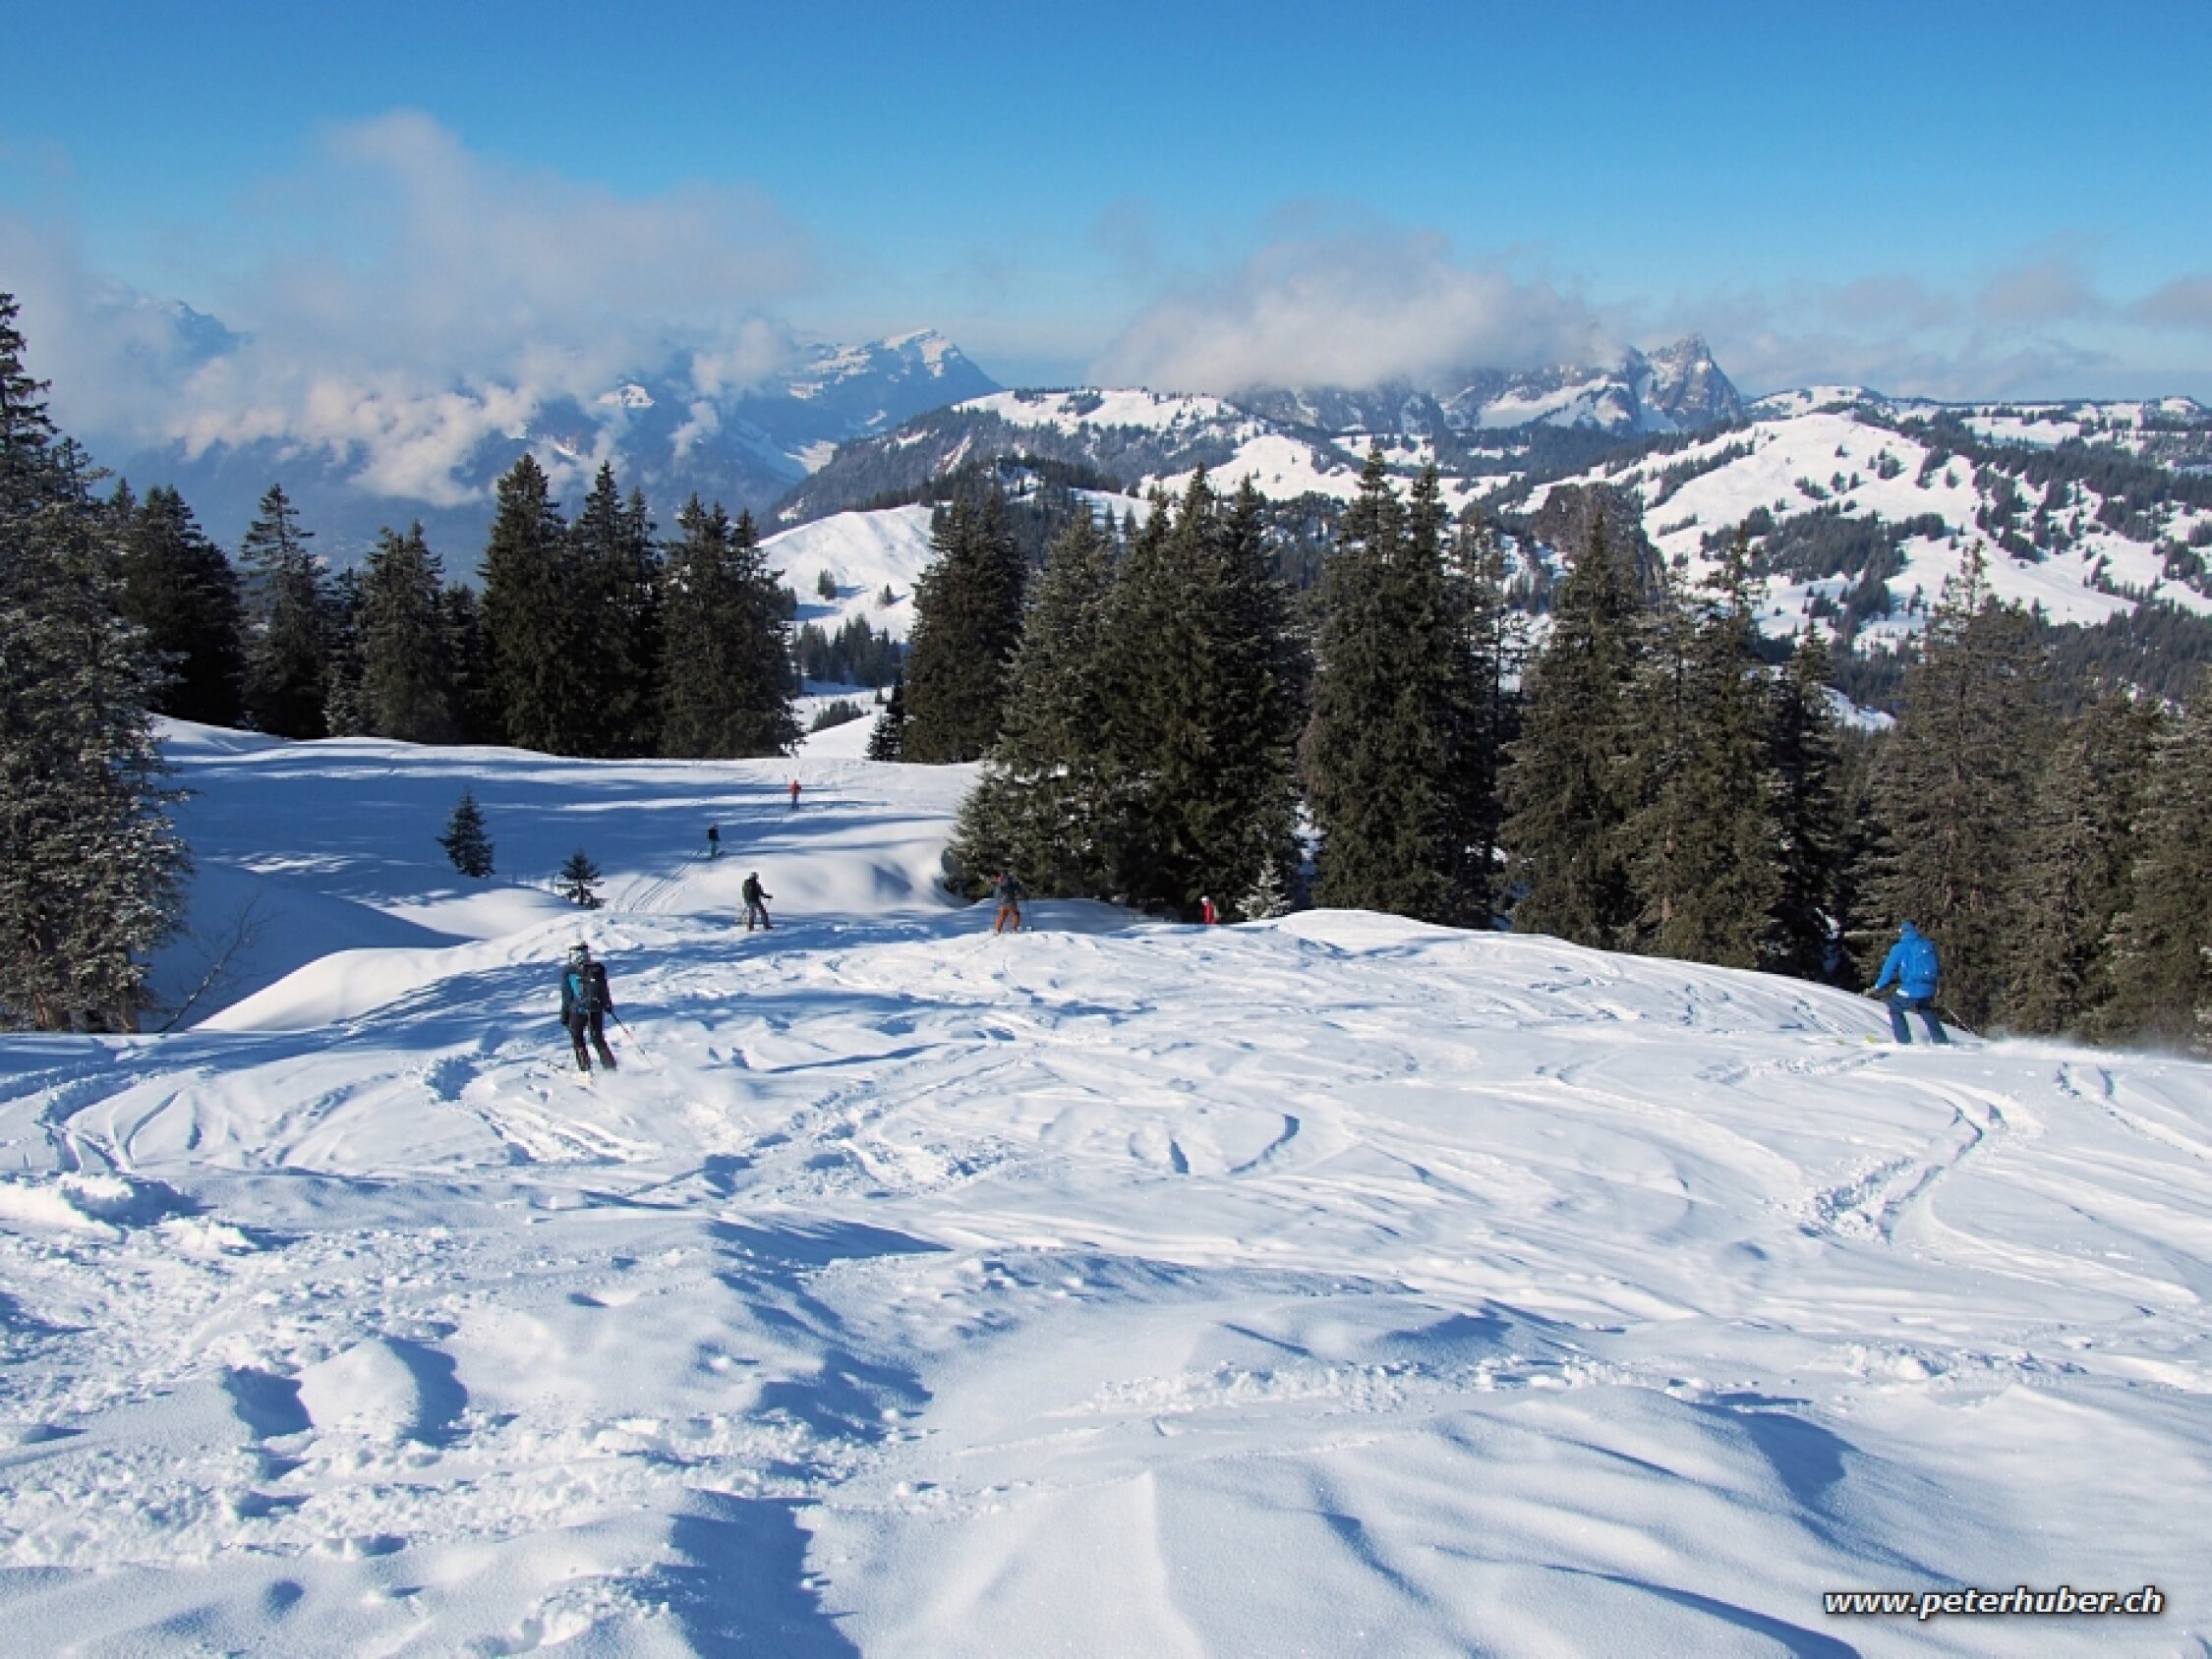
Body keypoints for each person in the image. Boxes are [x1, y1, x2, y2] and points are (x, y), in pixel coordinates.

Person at [1870, 921, 1950, 1046]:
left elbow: (1888, 968)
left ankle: (1903, 1041)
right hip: (1929, 987)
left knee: (1895, 1007)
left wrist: (1879, 985)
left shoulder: (1900, 947)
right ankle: (1941, 1040)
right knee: (1925, 1008)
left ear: (1903, 932)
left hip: (1912, 987)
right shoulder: (1927, 944)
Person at [558, 943, 618, 1072]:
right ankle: (611, 1070)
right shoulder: (597, 968)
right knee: (598, 1040)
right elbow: (604, 988)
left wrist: (564, 1014)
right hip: (596, 1009)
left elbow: (567, 995)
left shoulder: (568, 971)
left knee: (578, 1039)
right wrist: (607, 1005)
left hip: (578, 1011)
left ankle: (585, 1070)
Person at [992, 870, 1025, 934]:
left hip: (1002, 903)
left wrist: (998, 897)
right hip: (1012, 902)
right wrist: (1023, 895)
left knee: (1001, 916)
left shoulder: (999, 883)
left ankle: (997, 930)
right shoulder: (1012, 882)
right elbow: (1020, 891)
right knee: (1015, 914)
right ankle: (1014, 929)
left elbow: (997, 895)